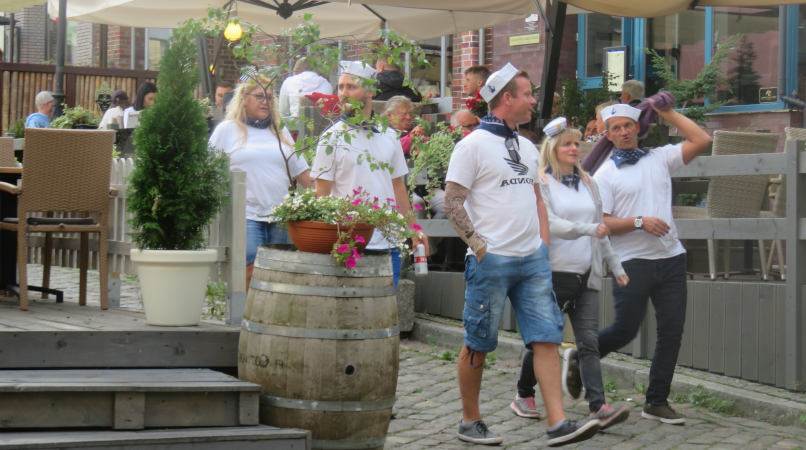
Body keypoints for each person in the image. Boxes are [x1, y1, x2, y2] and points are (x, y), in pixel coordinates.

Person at [444, 63, 601, 447]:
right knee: (478, 341)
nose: (534, 100)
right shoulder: (472, 145)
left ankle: (558, 421)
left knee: (547, 338)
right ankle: (470, 420)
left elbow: (537, 200)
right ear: (506, 99)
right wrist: (479, 247)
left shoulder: (528, 146)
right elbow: (452, 203)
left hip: (532, 259)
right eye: (527, 94)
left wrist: (542, 245)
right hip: (491, 260)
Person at [570, 101, 711, 425]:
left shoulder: (659, 158)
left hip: (671, 257)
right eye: (616, 128)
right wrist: (639, 222)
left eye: (628, 126)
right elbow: (601, 221)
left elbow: (702, 140)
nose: (623, 132)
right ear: (607, 134)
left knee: (672, 331)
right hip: (631, 261)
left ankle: (656, 401)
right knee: (625, 330)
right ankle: (579, 358)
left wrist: (666, 112)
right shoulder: (605, 175)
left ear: (638, 128)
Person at [509, 116, 631, 431]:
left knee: (588, 342)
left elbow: (600, 234)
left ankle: (598, 407)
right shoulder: (542, 183)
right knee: (544, 341)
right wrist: (588, 228)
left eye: (577, 143)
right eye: (567, 143)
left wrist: (615, 267)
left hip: (586, 277)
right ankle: (524, 395)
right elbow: (549, 224)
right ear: (552, 148)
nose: (575, 148)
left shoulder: (589, 182)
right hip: (553, 274)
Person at [312, 61, 428, 289]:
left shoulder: (389, 135)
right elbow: (322, 196)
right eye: (340, 87)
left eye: (351, 87)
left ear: (369, 90)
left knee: (386, 313)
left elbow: (397, 187)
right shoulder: (331, 138)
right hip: (348, 244)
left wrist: (414, 229)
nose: (343, 94)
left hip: (388, 244)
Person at [209, 78, 313, 287]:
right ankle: (249, 318)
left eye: (269, 97)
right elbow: (208, 172)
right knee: (250, 270)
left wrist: (326, 199)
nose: (265, 102)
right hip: (245, 215)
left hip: (280, 216)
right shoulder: (227, 130)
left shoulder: (280, 131)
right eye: (259, 96)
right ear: (244, 99)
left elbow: (301, 172)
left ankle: (265, 317)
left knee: (274, 273)